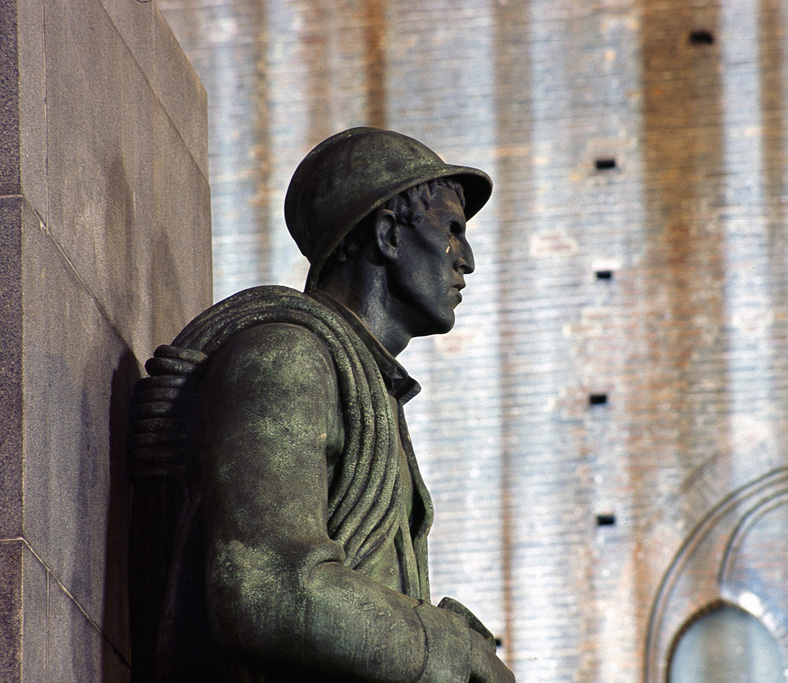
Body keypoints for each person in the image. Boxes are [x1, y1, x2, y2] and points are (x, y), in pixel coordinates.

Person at [127, 128, 515, 682]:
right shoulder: (285, 359)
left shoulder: (372, 392)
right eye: (452, 230)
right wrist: (448, 649)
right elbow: (265, 586)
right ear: (388, 234)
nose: (467, 260)